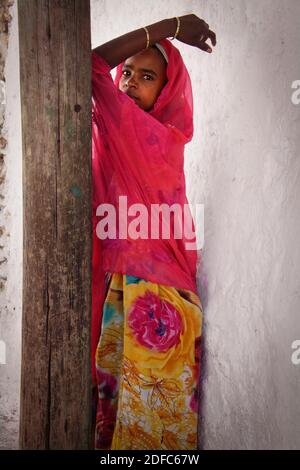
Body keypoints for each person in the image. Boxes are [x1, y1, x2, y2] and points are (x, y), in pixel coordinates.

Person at [91, 14, 216, 450]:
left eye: (147, 76)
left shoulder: (147, 132)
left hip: (158, 301)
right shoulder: (121, 125)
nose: (129, 81)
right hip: (128, 289)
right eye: (126, 72)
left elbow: (90, 65)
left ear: (168, 89)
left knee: (148, 428)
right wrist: (166, 30)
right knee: (125, 421)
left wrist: (170, 27)